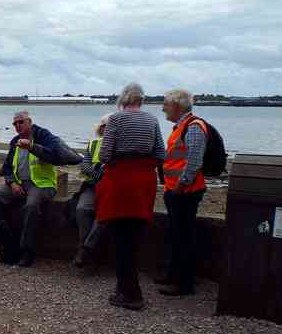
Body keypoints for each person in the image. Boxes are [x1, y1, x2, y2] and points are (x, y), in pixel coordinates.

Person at [95, 83, 165, 310]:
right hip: (144, 182)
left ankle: (130, 293)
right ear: (142, 100)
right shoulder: (152, 120)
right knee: (133, 238)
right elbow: (160, 153)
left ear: (123, 99)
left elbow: (105, 154)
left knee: (120, 238)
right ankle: (127, 288)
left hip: (120, 183)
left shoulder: (116, 119)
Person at [0, 111, 59, 267]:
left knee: (31, 206)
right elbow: (8, 167)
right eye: (15, 123)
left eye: (21, 122)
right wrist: (12, 183)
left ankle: (27, 251)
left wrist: (32, 146)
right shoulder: (15, 141)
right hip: (19, 183)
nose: (17, 125)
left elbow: (55, 154)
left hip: (41, 184)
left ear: (29, 121)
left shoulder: (44, 136)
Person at [158, 89, 207, 297]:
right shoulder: (181, 126)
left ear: (177, 106)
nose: (163, 109)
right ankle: (172, 274)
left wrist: (180, 186)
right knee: (175, 234)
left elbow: (194, 161)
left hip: (185, 192)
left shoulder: (194, 126)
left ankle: (184, 284)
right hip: (176, 190)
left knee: (183, 237)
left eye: (166, 105)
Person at [72, 113, 112, 267]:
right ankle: (85, 247)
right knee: (82, 209)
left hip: (110, 189)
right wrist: (99, 173)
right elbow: (85, 166)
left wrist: (97, 171)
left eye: (108, 127)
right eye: (103, 127)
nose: (105, 129)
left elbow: (111, 169)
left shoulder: (119, 145)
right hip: (92, 186)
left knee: (103, 214)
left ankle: (85, 250)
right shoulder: (93, 143)